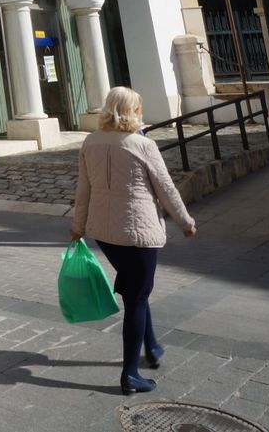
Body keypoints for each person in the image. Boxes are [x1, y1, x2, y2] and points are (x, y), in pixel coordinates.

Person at [71, 86, 197, 395]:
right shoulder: (143, 145)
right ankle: (130, 374)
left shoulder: (90, 142)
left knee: (135, 289)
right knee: (137, 296)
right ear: (132, 111)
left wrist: (78, 226)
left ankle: (151, 346)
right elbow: (166, 188)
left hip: (105, 233)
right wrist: (185, 222)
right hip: (138, 233)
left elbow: (83, 189)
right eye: (138, 108)